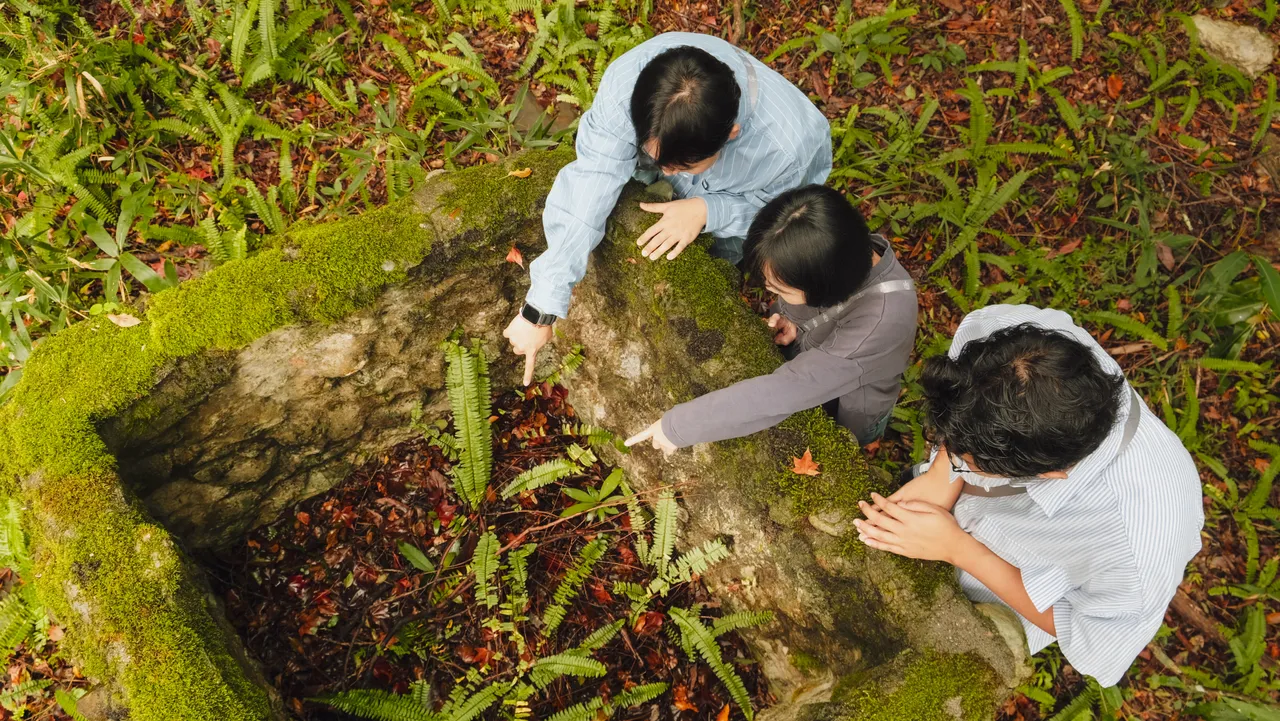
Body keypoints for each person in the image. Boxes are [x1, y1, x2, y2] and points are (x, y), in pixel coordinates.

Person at [853, 305, 1204, 686]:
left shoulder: (1135, 546)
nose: (952, 455)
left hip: (987, 600)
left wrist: (958, 549)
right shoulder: (1018, 344)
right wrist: (943, 475)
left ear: (1050, 475)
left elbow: (1093, 640)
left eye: (970, 462)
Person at [503, 32, 832, 385]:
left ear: (732, 134)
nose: (666, 172)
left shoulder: (788, 148)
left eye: (681, 166)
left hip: (739, 205)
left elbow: (783, 212)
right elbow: (591, 182)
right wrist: (540, 309)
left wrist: (710, 211)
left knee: (723, 257)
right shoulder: (629, 84)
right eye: (656, 157)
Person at [623, 184, 917, 453]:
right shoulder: (833, 244)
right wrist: (794, 318)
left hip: (854, 402)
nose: (768, 291)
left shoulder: (882, 321)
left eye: (778, 288)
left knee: (849, 438)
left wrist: (678, 427)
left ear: (826, 284)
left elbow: (788, 390)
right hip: (825, 357)